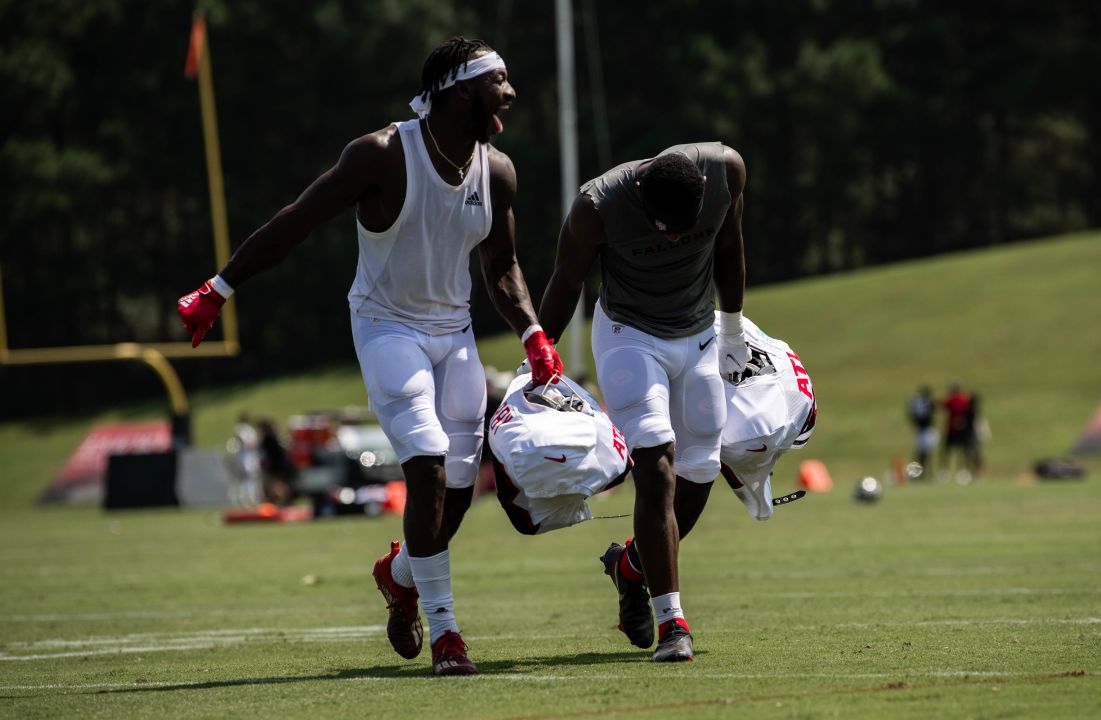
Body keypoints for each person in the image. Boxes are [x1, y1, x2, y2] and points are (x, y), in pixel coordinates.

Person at [176, 37, 561, 676]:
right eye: (499, 80)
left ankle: (400, 574)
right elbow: (297, 219)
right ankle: (447, 635)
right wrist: (219, 288)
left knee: (459, 493)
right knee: (428, 467)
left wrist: (533, 334)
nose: (512, 92)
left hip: (454, 331)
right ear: (460, 91)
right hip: (387, 329)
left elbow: (502, 266)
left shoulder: (497, 171)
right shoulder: (382, 155)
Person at [538, 142, 748, 662]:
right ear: (639, 196)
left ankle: (629, 567)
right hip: (630, 335)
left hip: (699, 333)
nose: (676, 237)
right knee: (655, 464)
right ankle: (673, 621)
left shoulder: (725, 171)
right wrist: (536, 354)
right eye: (665, 228)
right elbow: (567, 280)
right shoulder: (597, 206)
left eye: (686, 225)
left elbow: (729, 248)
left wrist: (735, 327)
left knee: (700, 471)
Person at [939, 383, 974, 483]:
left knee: (947, 452)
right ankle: (965, 471)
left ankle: (945, 472)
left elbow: (941, 404)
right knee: (964, 452)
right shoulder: (964, 399)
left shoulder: (954, 400)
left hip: (953, 430)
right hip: (961, 430)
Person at [906, 385, 936, 479]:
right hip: (923, 430)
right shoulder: (919, 403)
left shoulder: (919, 403)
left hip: (926, 430)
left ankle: (925, 473)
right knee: (922, 453)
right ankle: (919, 473)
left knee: (926, 453)